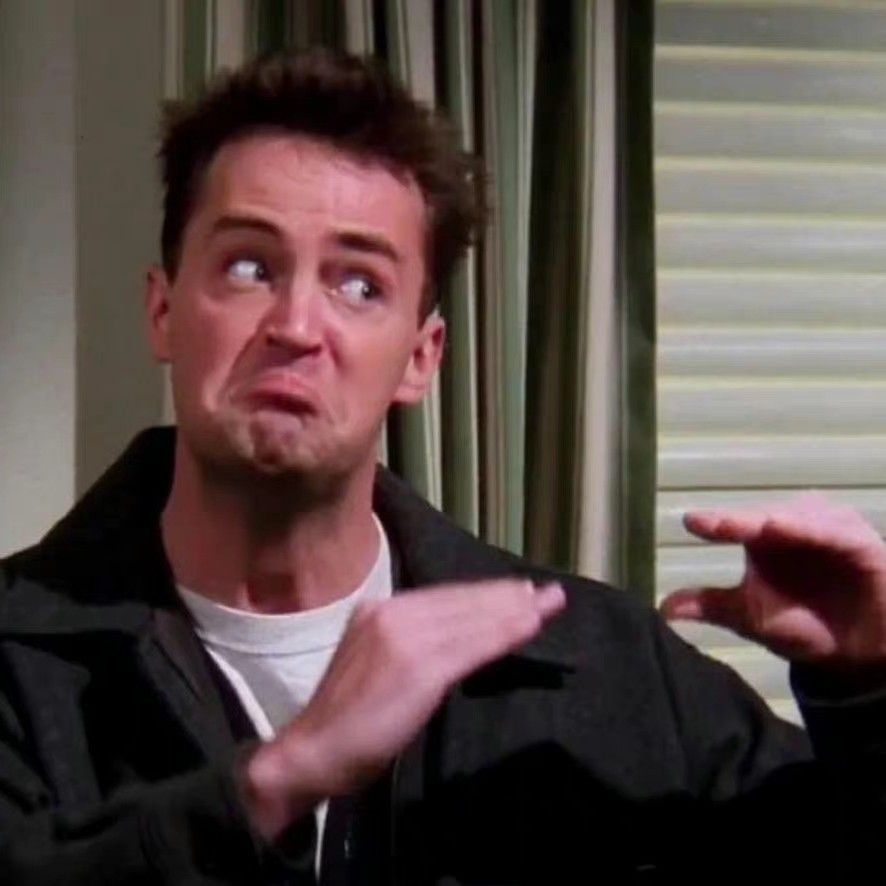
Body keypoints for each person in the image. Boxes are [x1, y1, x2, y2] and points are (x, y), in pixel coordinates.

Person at [1, 48, 885, 884]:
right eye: (247, 266)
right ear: (162, 313)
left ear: (421, 359)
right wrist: (278, 781)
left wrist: (868, 688)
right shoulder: (15, 659)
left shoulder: (599, 666)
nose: (296, 326)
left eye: (359, 285)